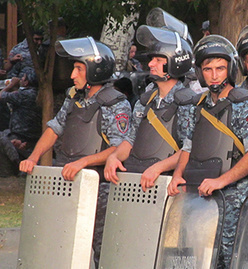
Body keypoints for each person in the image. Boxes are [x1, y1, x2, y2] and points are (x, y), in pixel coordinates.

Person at [18, 37, 131, 267]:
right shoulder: (73, 97)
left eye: (79, 69)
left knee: (101, 249)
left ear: (95, 71)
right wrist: (33, 157)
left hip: (99, 187)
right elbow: (54, 129)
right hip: (67, 182)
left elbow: (118, 147)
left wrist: (83, 162)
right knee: (62, 242)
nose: (72, 74)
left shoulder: (116, 103)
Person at [167, 35, 248, 268]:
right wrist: (178, 174)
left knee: (228, 258)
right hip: (199, 194)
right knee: (194, 254)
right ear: (200, 73)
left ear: (229, 70)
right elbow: (187, 147)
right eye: (208, 69)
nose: (214, 74)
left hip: (235, 196)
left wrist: (221, 181)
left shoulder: (245, 104)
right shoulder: (197, 106)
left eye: (220, 68)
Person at [104, 25, 196, 191]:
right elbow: (131, 139)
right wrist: (114, 156)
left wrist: (158, 167)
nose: (151, 64)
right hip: (136, 181)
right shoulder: (146, 100)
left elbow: (188, 149)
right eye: (152, 59)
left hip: (166, 185)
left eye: (158, 60)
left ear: (175, 64)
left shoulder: (186, 101)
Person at [0, 70, 41, 176]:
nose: (21, 79)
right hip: (35, 135)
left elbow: (1, 95)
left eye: (23, 77)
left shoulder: (26, 94)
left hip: (19, 134)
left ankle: (14, 167)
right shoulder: (40, 94)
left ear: (26, 82)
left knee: (2, 139)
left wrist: (11, 85)